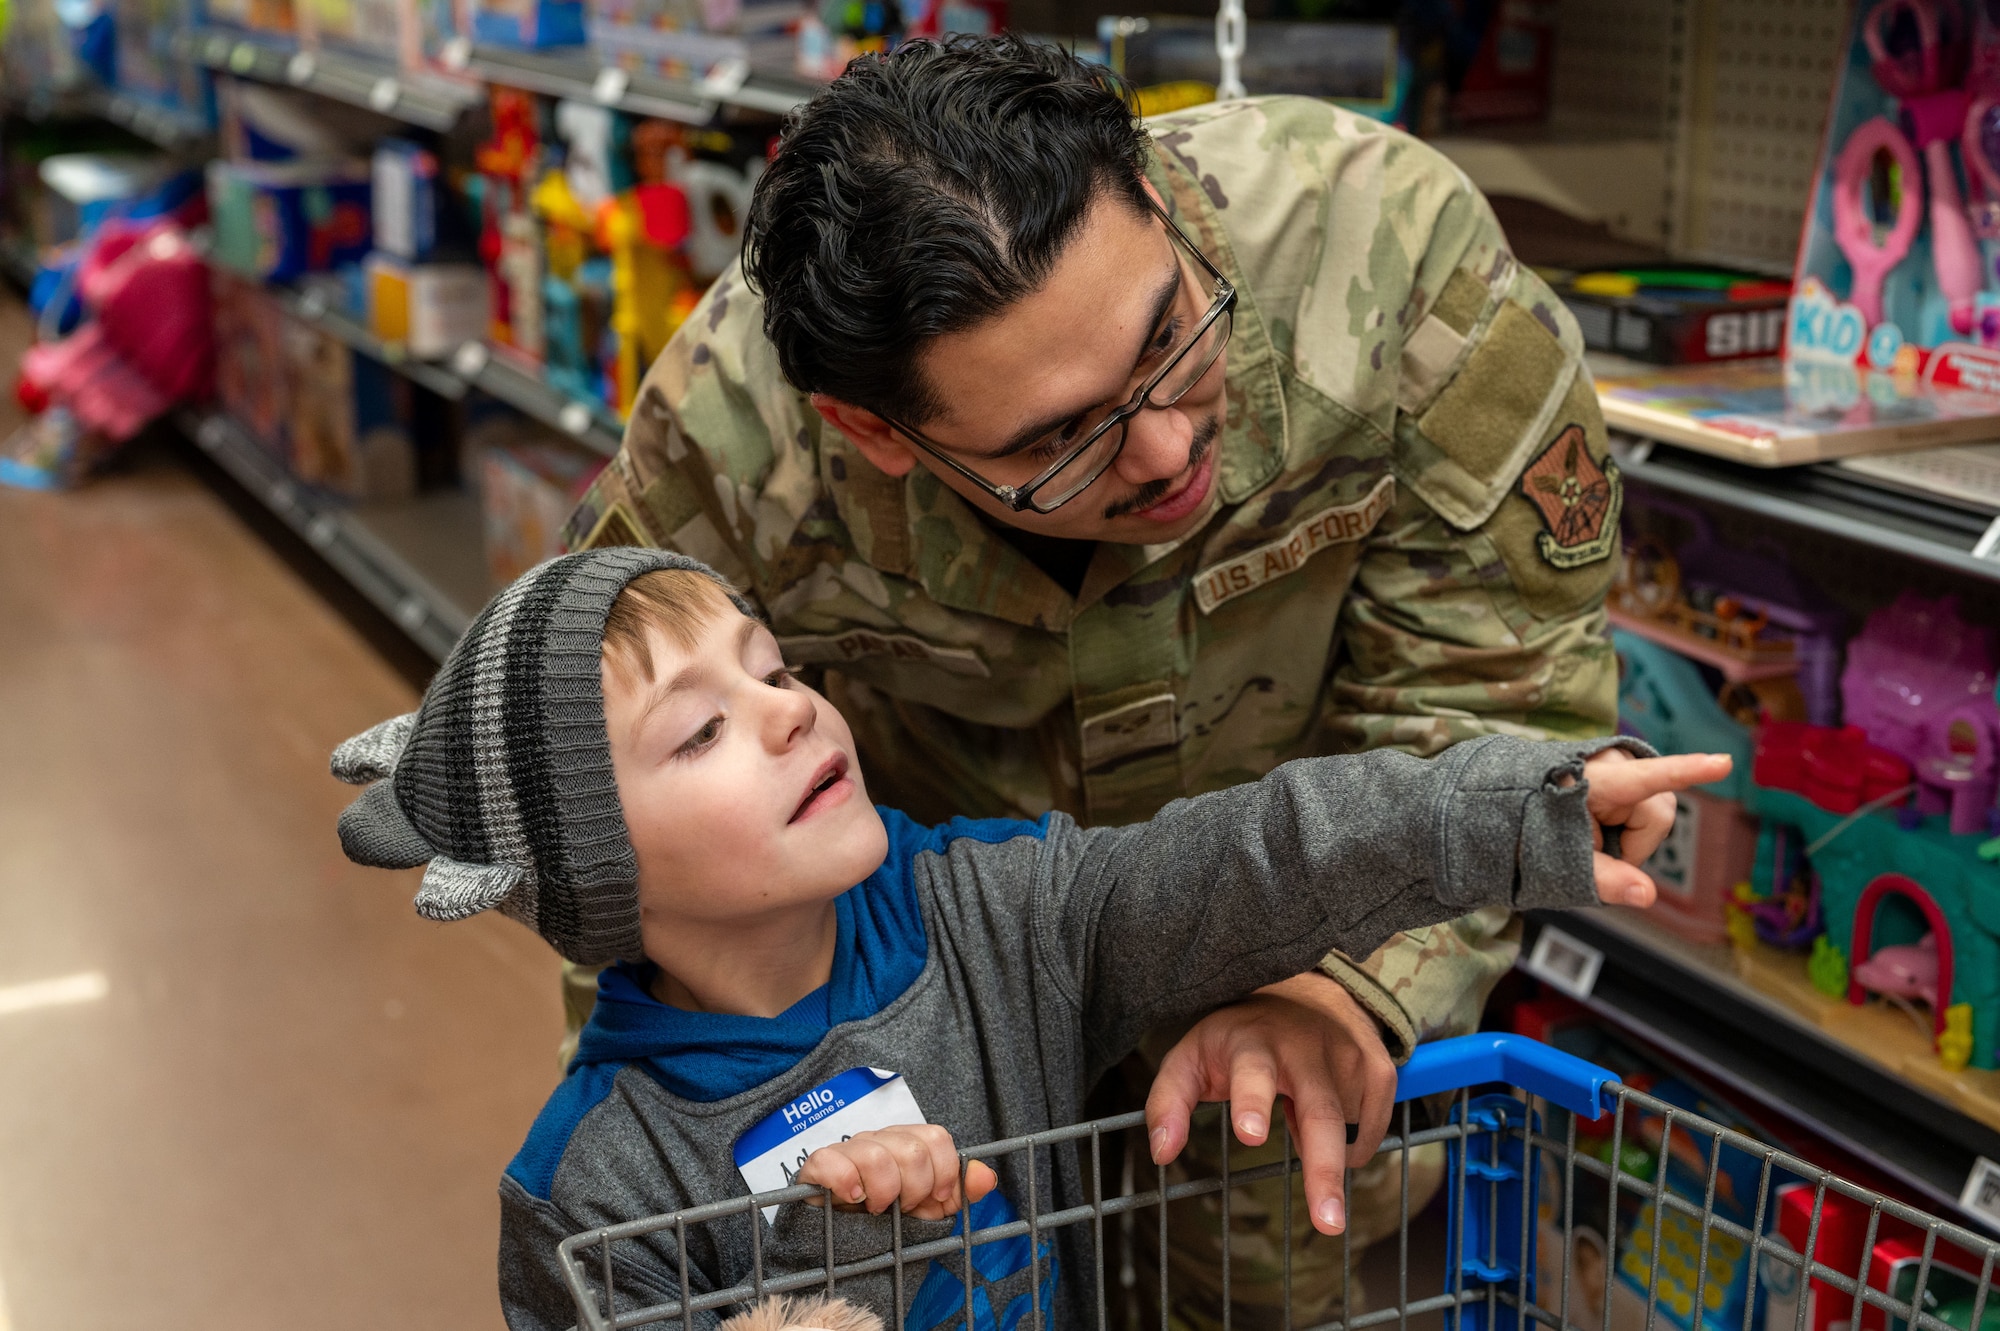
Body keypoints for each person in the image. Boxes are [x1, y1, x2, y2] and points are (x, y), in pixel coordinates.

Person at [561, 35, 1627, 1324]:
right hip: (932, 991)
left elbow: (1496, 685)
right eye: (1060, 440)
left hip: (1300, 920)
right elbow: (620, 840)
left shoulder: (1391, 260)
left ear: (1157, 199)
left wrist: (1344, 987)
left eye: (1172, 338)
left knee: (1271, 1229)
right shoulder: (728, 448)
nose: (1172, 447)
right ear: (871, 433)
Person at [329, 549, 1723, 1331]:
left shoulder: (999, 916)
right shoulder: (596, 1182)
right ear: (596, 872)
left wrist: (1503, 813)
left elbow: (1248, 857)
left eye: (774, 668)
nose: (788, 713)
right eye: (700, 730)